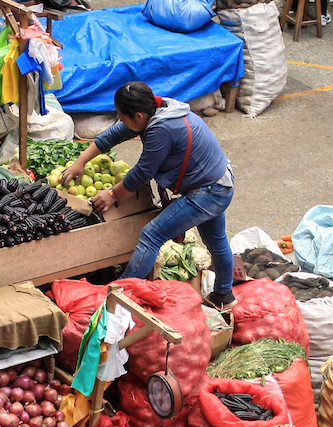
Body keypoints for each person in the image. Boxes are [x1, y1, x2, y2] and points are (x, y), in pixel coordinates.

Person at [62, 82, 237, 310]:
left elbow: (143, 172)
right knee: (216, 241)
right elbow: (114, 135)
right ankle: (224, 295)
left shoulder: (162, 129)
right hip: (218, 181)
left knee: (151, 235)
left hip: (209, 191)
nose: (121, 121)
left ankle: (118, 297)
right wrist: (81, 162)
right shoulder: (153, 111)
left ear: (138, 115)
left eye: (123, 116)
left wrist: (113, 194)